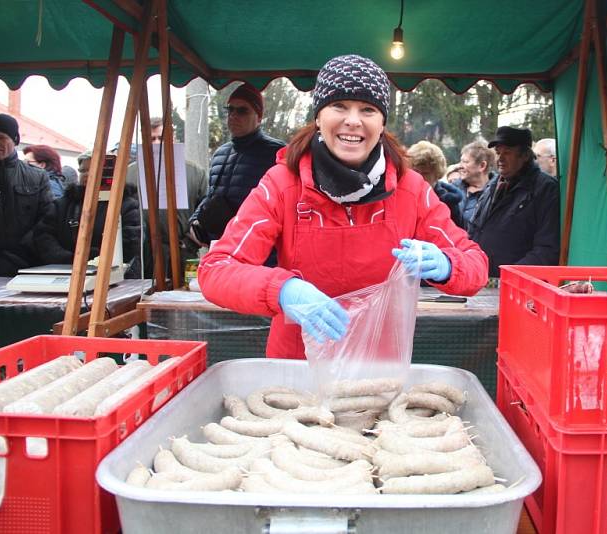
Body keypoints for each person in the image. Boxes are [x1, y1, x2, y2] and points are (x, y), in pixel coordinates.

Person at [198, 54, 488, 359]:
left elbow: (475, 264)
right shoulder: (282, 184)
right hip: (298, 367)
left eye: (368, 109)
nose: (353, 120)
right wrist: (282, 290)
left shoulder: (411, 189)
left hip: (380, 369)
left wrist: (447, 265)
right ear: (318, 117)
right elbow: (216, 270)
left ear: (381, 122)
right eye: (339, 106)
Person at [187, 83, 285, 249]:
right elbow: (210, 196)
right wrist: (195, 222)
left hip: (262, 250)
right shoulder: (220, 154)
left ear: (259, 117)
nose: (233, 115)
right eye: (230, 110)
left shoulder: (277, 153)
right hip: (222, 246)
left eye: (242, 111)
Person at [468, 126, 560, 277]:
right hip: (482, 281)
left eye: (507, 153)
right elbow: (474, 231)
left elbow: (547, 250)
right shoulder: (493, 184)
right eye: (498, 153)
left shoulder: (546, 189)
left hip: (518, 287)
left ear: (524, 156)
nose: (500, 159)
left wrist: (510, 276)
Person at [34, 149, 142, 278]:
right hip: (65, 273)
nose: (86, 175)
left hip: (113, 276)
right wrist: (67, 258)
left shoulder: (126, 205)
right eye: (82, 171)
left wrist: (90, 258)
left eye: (92, 169)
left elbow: (130, 242)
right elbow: (43, 235)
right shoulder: (63, 204)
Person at [127, 117, 208, 277]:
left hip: (183, 254)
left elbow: (206, 212)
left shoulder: (195, 173)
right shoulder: (129, 174)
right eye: (151, 139)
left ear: (173, 139)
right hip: (142, 259)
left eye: (161, 138)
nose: (157, 143)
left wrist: (191, 242)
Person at [0, 113, 53, 276]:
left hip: (23, 263)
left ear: (15, 140)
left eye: (2, 138)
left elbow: (47, 219)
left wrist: (23, 249)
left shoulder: (36, 176)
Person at [406, 140, 464, 228]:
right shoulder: (403, 195)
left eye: (425, 173)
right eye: (415, 172)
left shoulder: (448, 202)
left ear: (437, 174)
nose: (419, 177)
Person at [453, 140, 495, 230]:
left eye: (465, 162)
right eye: (461, 161)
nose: (460, 166)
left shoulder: (496, 194)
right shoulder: (452, 189)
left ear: (482, 166)